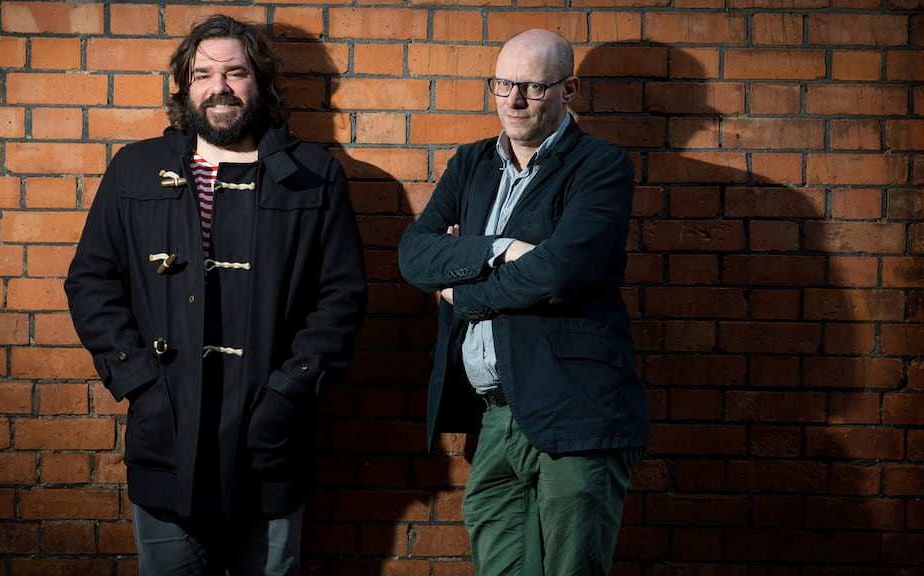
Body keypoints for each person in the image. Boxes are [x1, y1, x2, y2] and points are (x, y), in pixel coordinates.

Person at [64, 15, 366, 576]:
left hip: (270, 440)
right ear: (184, 86)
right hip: (166, 434)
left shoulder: (312, 174)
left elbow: (341, 297)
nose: (219, 87)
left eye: (235, 73)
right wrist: (141, 383)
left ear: (260, 82)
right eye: (203, 74)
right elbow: (91, 281)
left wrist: (288, 393)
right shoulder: (136, 169)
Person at [397, 28, 650, 576]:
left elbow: (559, 272)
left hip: (575, 409)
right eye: (502, 84)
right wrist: (503, 249)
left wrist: (461, 289)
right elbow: (414, 255)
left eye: (532, 88)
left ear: (568, 90)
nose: (512, 100)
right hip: (495, 415)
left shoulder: (601, 166)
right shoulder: (470, 163)